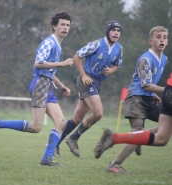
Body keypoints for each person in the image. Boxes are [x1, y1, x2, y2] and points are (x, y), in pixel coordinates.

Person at [0, 11, 74, 166]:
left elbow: (49, 70)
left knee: (61, 122)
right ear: (54, 26)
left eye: (68, 25)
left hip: (48, 85)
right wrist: (62, 64)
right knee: (36, 127)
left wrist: (61, 85)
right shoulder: (49, 42)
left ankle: (47, 159)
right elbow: (38, 63)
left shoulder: (58, 45)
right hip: (40, 85)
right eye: (62, 24)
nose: (65, 28)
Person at [101, 26, 168, 174]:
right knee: (138, 132)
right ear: (151, 41)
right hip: (135, 98)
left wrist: (155, 93)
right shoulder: (145, 59)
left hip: (149, 99)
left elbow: (151, 84)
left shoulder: (164, 58)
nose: (162, 40)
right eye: (158, 37)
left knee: (166, 124)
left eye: (164, 37)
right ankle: (114, 164)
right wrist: (166, 90)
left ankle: (141, 139)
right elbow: (145, 84)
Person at [54, 20, 123, 157]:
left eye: (118, 31)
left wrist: (111, 70)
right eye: (113, 30)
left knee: (77, 117)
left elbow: (118, 64)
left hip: (97, 83)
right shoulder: (97, 44)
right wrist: (84, 75)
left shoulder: (119, 48)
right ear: (108, 31)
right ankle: (73, 138)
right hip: (87, 80)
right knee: (98, 113)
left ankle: (54, 145)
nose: (116, 33)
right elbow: (77, 56)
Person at [94, 74, 172, 160]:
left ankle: (116, 138)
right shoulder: (146, 60)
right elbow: (145, 84)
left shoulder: (162, 60)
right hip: (159, 93)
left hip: (168, 90)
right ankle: (115, 161)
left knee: (161, 138)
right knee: (160, 137)